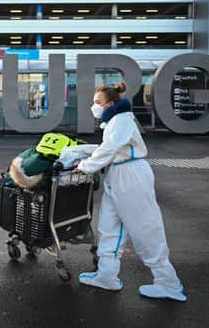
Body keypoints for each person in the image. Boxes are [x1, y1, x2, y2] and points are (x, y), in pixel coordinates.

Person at [76, 82, 187, 302]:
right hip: (118, 174)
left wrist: (85, 166)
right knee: (110, 227)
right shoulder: (114, 121)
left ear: (111, 103)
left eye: (98, 102)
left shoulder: (122, 119)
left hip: (131, 175)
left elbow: (110, 148)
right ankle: (107, 276)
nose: (94, 106)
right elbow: (109, 148)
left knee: (145, 228)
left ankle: (168, 283)